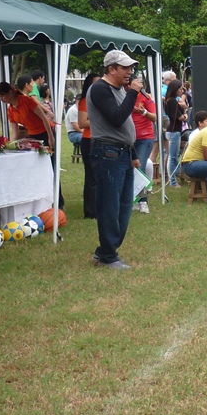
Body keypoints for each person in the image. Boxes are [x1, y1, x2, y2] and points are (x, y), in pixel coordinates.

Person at [85, 50, 143, 270]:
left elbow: (124, 124)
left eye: (131, 67)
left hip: (122, 153)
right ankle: (108, 255)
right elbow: (117, 118)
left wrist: (133, 154)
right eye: (125, 68)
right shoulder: (100, 89)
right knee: (110, 206)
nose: (130, 72)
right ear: (111, 69)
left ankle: (105, 251)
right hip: (108, 153)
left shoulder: (118, 90)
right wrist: (133, 93)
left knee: (124, 205)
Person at [0, 80, 56, 151]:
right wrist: (10, 146)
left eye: (2, 96)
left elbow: (44, 117)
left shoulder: (26, 101)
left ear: (10, 92)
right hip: (32, 135)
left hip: (46, 131)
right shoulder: (10, 110)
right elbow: (15, 133)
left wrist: (50, 137)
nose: (1, 99)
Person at [130, 77, 158, 214]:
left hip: (144, 138)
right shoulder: (124, 97)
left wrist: (144, 112)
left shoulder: (146, 98)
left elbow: (154, 117)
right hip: (128, 138)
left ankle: (143, 201)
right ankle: (133, 200)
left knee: (139, 167)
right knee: (129, 169)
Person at [76, 73, 101, 219]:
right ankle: (90, 211)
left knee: (99, 176)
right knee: (92, 176)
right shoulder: (85, 101)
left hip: (101, 139)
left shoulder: (102, 99)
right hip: (89, 140)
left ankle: (99, 207)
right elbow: (81, 122)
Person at [163, 79, 187, 187]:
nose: (182, 90)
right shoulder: (172, 101)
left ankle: (173, 176)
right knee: (172, 156)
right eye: (180, 89)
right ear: (175, 89)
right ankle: (172, 181)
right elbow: (179, 117)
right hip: (174, 131)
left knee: (172, 156)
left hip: (173, 131)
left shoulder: (169, 101)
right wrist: (184, 115)